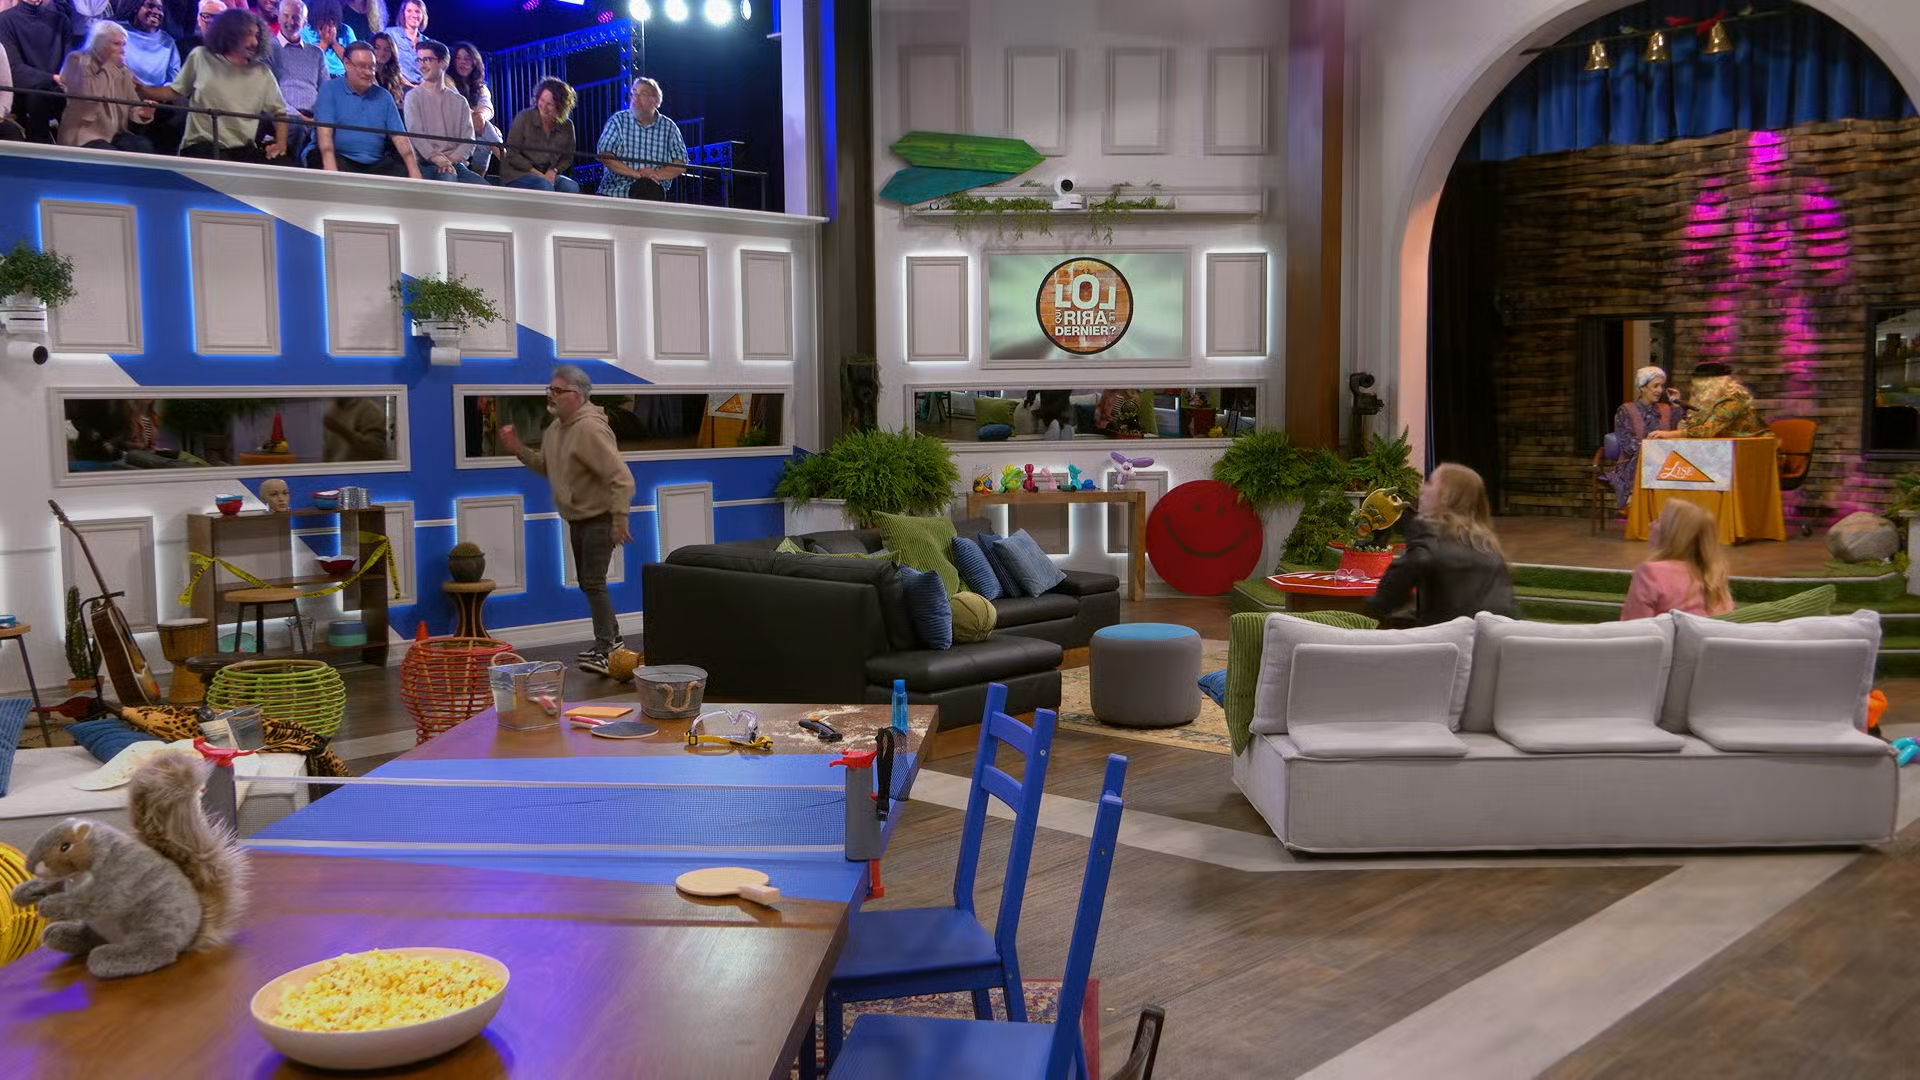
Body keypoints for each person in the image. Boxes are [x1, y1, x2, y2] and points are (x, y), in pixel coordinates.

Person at [499, 365, 634, 674]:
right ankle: (612, 643)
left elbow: (622, 478)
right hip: (578, 518)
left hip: (600, 516)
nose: (551, 395)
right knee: (589, 583)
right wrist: (518, 448)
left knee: (593, 582)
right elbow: (547, 466)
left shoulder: (591, 429)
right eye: (550, 389)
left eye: (558, 391)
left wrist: (619, 519)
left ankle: (608, 648)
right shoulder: (556, 429)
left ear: (577, 395)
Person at [1367, 462, 1520, 627]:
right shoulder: (1489, 548)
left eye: (1430, 483)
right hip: (1491, 637)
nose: (1422, 489)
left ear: (1445, 497)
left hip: (1450, 638)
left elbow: (1384, 600)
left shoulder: (1430, 541)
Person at [144, 8, 290, 163]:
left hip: (243, 150)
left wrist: (280, 144)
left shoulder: (262, 72)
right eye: (248, 34)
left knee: (285, 163)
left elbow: (279, 113)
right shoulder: (201, 56)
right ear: (231, 32)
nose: (254, 42)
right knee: (217, 162)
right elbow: (175, 92)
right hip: (202, 146)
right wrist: (143, 90)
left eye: (257, 36)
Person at [313, 39, 418, 176]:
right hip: (340, 157)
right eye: (362, 66)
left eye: (372, 67)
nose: (368, 72)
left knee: (402, 172)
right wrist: (330, 167)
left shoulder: (384, 96)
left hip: (375, 163)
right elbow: (324, 132)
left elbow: (400, 138)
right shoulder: (329, 89)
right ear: (347, 64)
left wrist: (414, 171)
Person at [1621, 500, 1734, 620]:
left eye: (1659, 521)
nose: (1651, 525)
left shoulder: (1650, 572)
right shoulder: (1714, 574)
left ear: (1672, 533)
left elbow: (1633, 626)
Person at [58, 21, 156, 153]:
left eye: (124, 44)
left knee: (143, 146)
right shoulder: (77, 60)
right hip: (84, 135)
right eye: (116, 44)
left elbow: (132, 104)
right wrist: (110, 66)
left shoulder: (123, 70)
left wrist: (143, 113)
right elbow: (89, 96)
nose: (122, 49)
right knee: (108, 153)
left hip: (115, 134)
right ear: (100, 43)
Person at [403, 37, 485, 183]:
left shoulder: (459, 101)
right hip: (427, 164)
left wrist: (449, 161)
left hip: (456, 164)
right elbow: (417, 138)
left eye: (427, 60)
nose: (422, 66)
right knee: (448, 179)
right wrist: (440, 160)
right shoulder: (413, 97)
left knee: (486, 188)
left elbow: (469, 141)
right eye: (419, 60)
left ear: (443, 62)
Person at [1604, 365, 1684, 509]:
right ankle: (1637, 505)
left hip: (1664, 462)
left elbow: (1675, 434)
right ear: (1642, 387)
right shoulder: (1626, 410)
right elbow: (1627, 444)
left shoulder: (1666, 409)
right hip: (1634, 462)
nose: (1659, 390)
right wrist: (1652, 449)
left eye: (1662, 386)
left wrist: (1677, 405)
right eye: (1655, 386)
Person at [594, 76, 686, 201]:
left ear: (656, 100)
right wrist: (637, 174)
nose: (635, 98)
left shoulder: (670, 127)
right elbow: (604, 155)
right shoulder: (618, 120)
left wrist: (655, 175)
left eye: (643, 94)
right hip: (615, 193)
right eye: (634, 93)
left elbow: (680, 164)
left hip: (652, 197)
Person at [0, 0, 74, 143]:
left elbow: (69, 62)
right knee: (38, 95)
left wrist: (64, 78)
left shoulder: (61, 20)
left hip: (59, 88)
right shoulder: (5, 20)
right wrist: (52, 78)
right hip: (26, 92)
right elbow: (14, 68)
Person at [1651, 362, 1769, 439]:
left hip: (1757, 449)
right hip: (1734, 450)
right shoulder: (1714, 402)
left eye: (1698, 386)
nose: (1695, 390)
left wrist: (1670, 434)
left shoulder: (1733, 401)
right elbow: (1699, 426)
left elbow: (1708, 430)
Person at [501, 75, 578, 192]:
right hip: (519, 175)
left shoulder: (567, 126)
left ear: (560, 106)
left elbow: (567, 157)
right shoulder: (524, 117)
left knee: (571, 187)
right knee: (544, 186)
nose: (544, 107)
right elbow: (512, 154)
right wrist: (540, 175)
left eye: (550, 104)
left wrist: (554, 170)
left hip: (548, 175)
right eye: (541, 100)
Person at [447, 40, 496, 173]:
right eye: (458, 58)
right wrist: (477, 117)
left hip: (473, 127)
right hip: (452, 127)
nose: (462, 62)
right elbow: (458, 106)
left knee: (484, 141)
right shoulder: (447, 80)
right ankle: (505, 156)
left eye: (467, 58)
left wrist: (481, 116)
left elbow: (487, 105)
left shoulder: (480, 86)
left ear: (475, 62)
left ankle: (478, 178)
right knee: (488, 130)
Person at [301, 0, 352, 77]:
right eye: (324, 21)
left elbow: (354, 62)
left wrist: (335, 43)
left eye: (332, 21)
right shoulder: (305, 32)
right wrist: (324, 42)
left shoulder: (346, 31)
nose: (328, 25)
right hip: (318, 76)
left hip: (344, 76)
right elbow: (307, 63)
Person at [383, 0, 421, 84]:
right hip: (399, 84)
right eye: (409, 11)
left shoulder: (427, 42)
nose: (414, 15)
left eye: (417, 11)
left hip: (423, 86)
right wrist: (410, 85)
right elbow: (388, 64)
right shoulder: (391, 33)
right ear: (403, 13)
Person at [366, 30, 406, 104]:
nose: (382, 53)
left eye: (387, 49)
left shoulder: (394, 75)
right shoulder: (365, 74)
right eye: (377, 48)